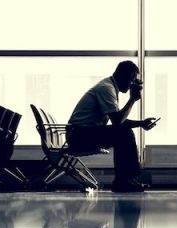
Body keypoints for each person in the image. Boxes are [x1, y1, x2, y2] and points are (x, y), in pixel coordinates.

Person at [67, 61, 158, 192]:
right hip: (79, 135)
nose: (132, 83)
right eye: (131, 79)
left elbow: (118, 121)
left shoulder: (109, 87)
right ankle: (125, 180)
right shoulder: (106, 89)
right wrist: (132, 99)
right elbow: (117, 121)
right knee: (124, 134)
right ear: (121, 75)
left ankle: (125, 180)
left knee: (123, 133)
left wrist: (141, 123)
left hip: (81, 133)